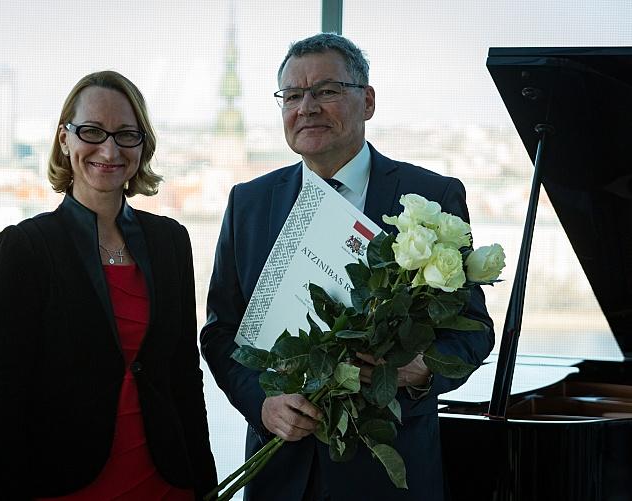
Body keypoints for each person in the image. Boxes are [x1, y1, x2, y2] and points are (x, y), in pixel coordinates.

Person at [200, 34, 494, 501]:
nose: (307, 107)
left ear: (368, 101)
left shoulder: (431, 198)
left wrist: (420, 370)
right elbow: (221, 332)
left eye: (327, 90)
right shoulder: (248, 203)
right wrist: (262, 404)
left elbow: (473, 330)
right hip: (280, 471)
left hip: (388, 476)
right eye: (292, 96)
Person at [0, 70, 217, 501]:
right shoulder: (26, 249)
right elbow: (1, 411)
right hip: (65, 488)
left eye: (126, 134)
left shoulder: (171, 241)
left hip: (167, 485)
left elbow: (184, 379)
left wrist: (206, 488)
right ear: (65, 139)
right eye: (92, 131)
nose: (109, 149)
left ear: (142, 146)